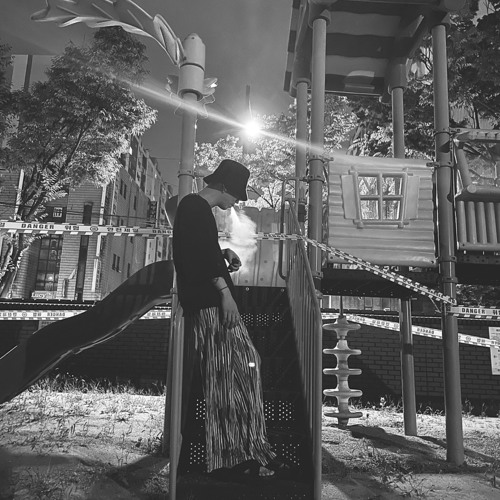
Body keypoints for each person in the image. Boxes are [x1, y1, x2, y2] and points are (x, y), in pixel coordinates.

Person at [172, 159, 288, 478]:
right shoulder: (195, 207)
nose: (237, 201)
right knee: (229, 376)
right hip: (211, 304)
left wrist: (222, 253)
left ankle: (248, 451)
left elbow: (197, 251)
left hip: (209, 301)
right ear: (223, 187)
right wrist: (224, 293)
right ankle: (235, 456)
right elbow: (194, 258)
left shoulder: (196, 209)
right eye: (236, 194)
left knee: (236, 373)